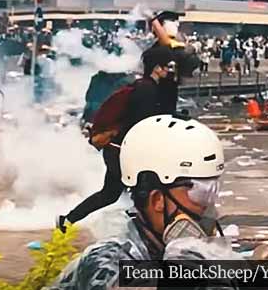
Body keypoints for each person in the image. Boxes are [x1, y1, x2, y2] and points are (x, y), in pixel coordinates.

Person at [49, 116, 268, 290]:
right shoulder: (107, 259)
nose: (209, 206)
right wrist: (185, 259)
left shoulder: (168, 250)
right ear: (157, 200)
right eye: (201, 192)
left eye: (214, 189)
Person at [58, 44, 180, 230]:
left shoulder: (146, 86)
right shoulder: (147, 90)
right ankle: (147, 229)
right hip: (123, 151)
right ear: (156, 67)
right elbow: (144, 123)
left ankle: (66, 220)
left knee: (111, 194)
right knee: (143, 190)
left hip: (118, 149)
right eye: (166, 66)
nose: (169, 71)